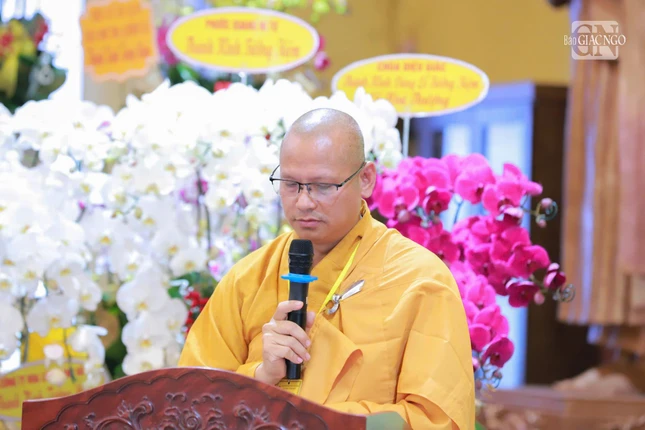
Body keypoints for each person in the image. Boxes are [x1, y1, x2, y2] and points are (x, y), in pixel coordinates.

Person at [178, 107, 475, 429]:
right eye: (291, 184)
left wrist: (317, 421)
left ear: (365, 179)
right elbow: (187, 404)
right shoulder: (247, 278)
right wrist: (261, 376)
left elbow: (436, 420)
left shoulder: (421, 281)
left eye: (322, 186)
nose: (304, 202)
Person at [547, 0, 645, 393]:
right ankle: (623, 356)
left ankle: (633, 361)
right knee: (602, 167)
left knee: (627, 165)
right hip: (598, 16)